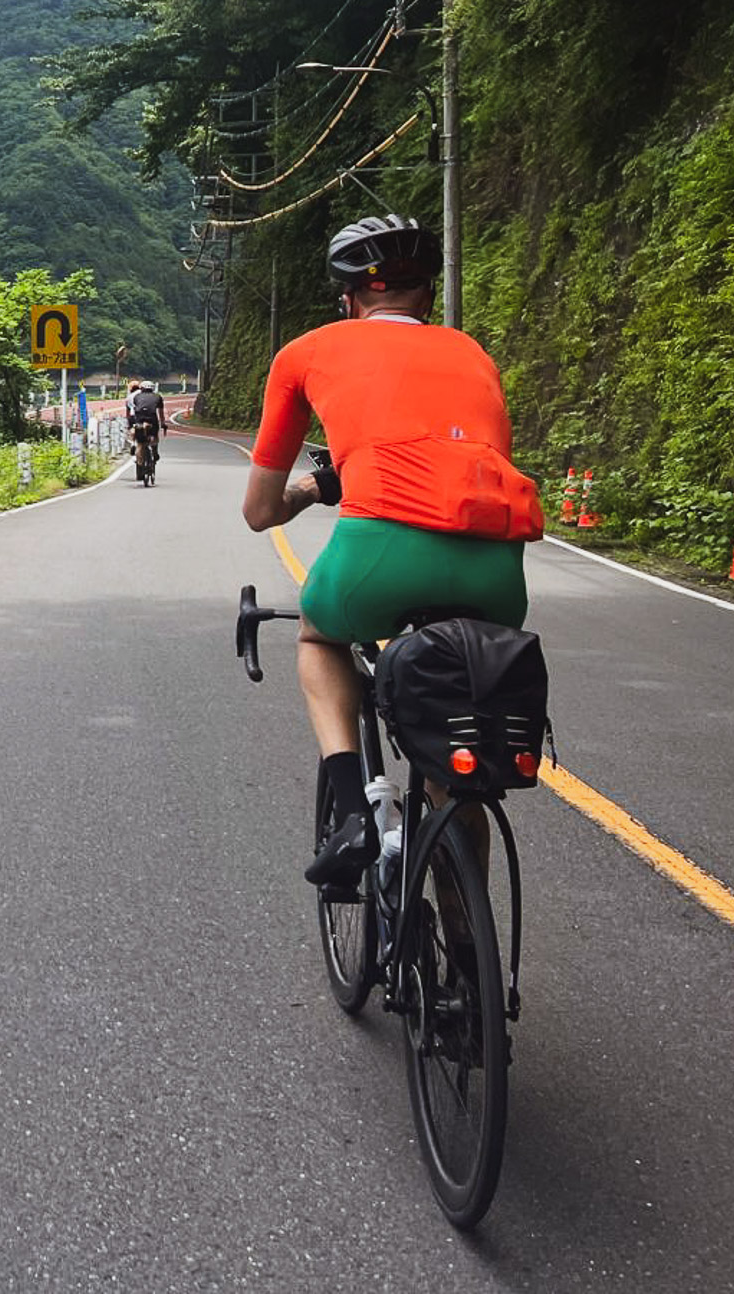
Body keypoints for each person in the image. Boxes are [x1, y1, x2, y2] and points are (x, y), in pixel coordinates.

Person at [238, 215, 546, 890]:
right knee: (453, 751)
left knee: (320, 635)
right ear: (429, 295)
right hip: (497, 569)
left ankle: (354, 812)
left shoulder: (307, 352)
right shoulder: (472, 353)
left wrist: (314, 488)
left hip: (380, 551)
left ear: (347, 299)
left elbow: (260, 512)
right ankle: (465, 938)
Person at [126, 380, 163, 460]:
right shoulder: (157, 397)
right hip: (152, 418)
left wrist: (128, 423)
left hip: (138, 418)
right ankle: (154, 451)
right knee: (154, 435)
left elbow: (132, 409)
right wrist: (163, 423)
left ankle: (133, 443)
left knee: (137, 434)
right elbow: (161, 412)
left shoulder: (136, 397)